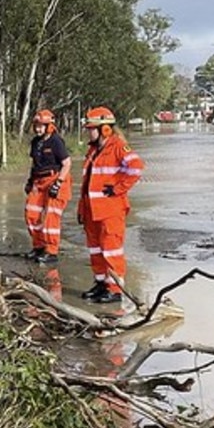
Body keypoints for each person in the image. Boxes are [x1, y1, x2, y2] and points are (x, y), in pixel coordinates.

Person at [76, 107, 144, 305]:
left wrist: (117, 188)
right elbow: (87, 183)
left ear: (105, 129)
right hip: (92, 210)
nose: (89, 132)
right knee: (96, 250)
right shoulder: (93, 150)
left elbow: (136, 168)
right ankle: (101, 284)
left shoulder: (118, 147)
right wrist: (81, 209)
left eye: (92, 128)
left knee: (111, 250)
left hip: (110, 210)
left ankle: (114, 289)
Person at [22, 109, 71, 265]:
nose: (38, 129)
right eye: (36, 125)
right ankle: (39, 246)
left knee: (51, 218)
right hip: (38, 180)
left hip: (55, 179)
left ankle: (51, 251)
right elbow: (34, 163)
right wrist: (30, 181)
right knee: (31, 213)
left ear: (49, 126)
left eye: (41, 126)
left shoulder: (56, 141)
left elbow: (67, 164)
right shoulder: (36, 142)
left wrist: (58, 183)